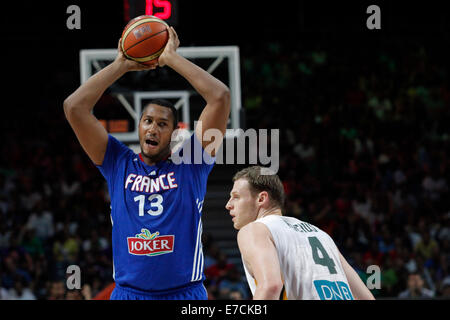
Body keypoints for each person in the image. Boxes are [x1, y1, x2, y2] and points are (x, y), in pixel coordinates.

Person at [63, 26, 230, 300]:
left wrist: (171, 57)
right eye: (148, 121)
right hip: (129, 294)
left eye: (162, 124)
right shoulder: (118, 161)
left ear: (175, 133)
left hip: (184, 294)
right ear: (139, 126)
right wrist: (121, 64)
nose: (153, 129)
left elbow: (220, 97)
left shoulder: (192, 162)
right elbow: (74, 107)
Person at [225, 166, 375, 300]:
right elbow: (366, 297)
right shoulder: (321, 234)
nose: (228, 205)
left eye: (236, 197)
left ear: (262, 198)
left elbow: (271, 286)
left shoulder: (255, 230)